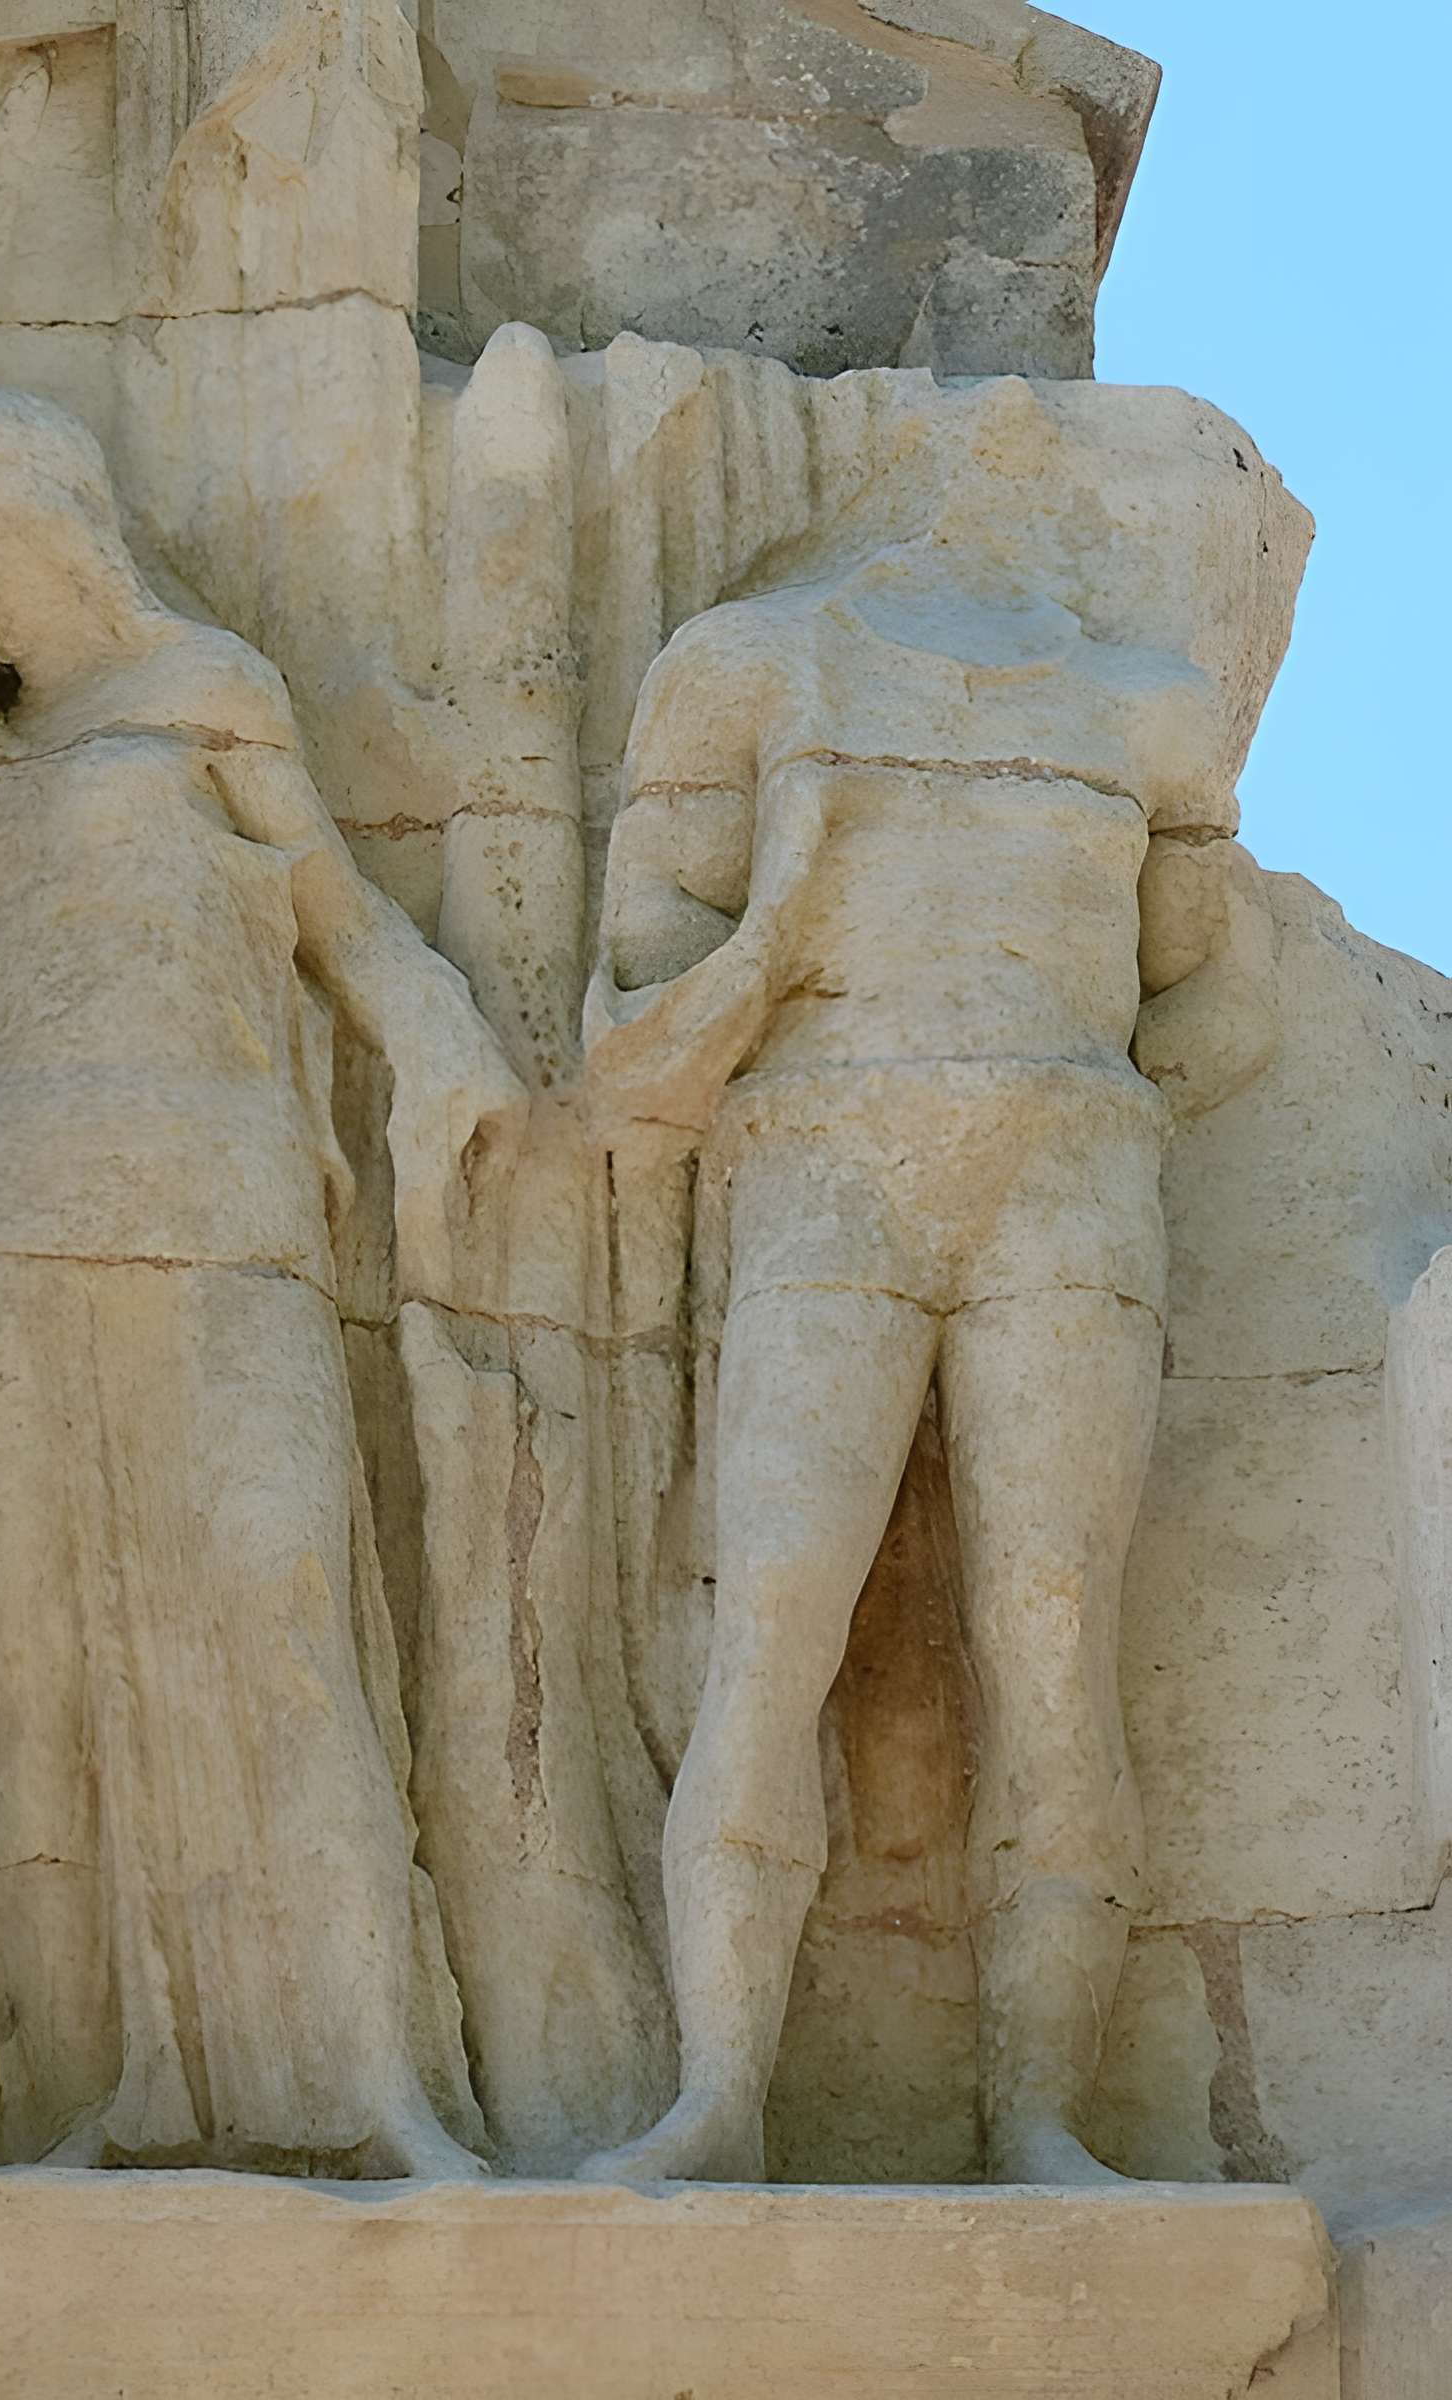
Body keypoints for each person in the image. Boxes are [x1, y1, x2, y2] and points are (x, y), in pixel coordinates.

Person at [580, 377, 1286, 2186]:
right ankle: (721, 2093)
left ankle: (1036, 2113)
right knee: (776, 1629)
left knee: (1051, 1650)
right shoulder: (750, 665)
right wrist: (767, 956)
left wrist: (1096, 1110)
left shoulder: (1144, 711)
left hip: (1061, 1179)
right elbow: (629, 1019)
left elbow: (1216, 1000)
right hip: (825, 1160)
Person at [0, 386, 520, 2173]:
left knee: (281, 1610)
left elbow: (339, 921)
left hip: (216, 1192)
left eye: (2, 524)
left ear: (76, 514)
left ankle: (373, 2082)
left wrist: (441, 1041)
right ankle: (82, 2093)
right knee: (30, 1678)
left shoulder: (210, 692)